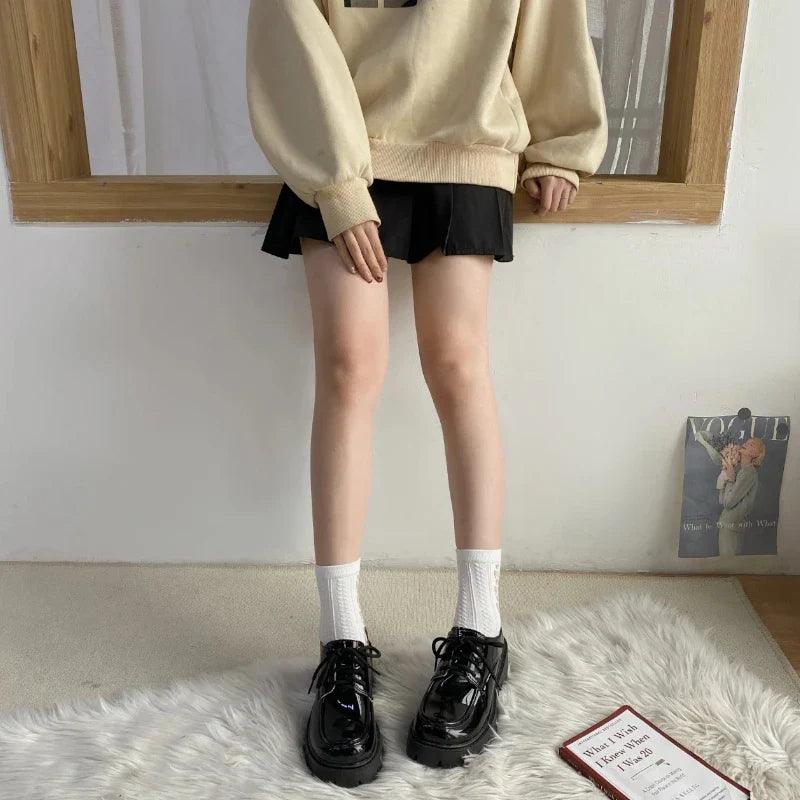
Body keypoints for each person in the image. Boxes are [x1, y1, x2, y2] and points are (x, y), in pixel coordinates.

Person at [245, 0, 607, 786]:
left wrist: (561, 141)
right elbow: (286, 29)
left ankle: (481, 628)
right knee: (348, 367)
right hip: (341, 143)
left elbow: (549, 16)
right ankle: (341, 643)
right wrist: (337, 183)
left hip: (466, 141)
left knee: (457, 364)